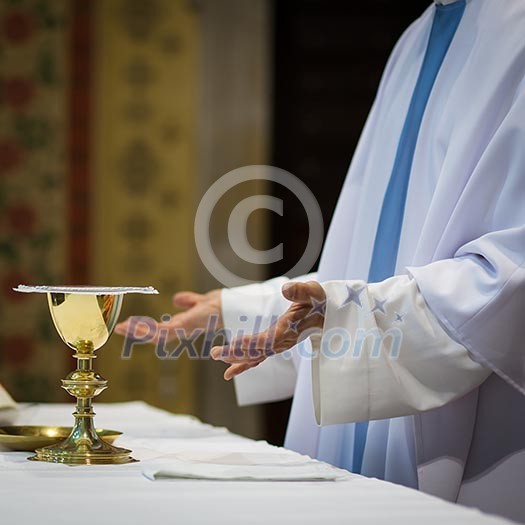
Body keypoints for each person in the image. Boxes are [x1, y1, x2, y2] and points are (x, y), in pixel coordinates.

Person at [116, 0, 525, 521]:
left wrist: (348, 310)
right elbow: (375, 265)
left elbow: (508, 282)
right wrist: (241, 310)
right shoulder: (418, 36)